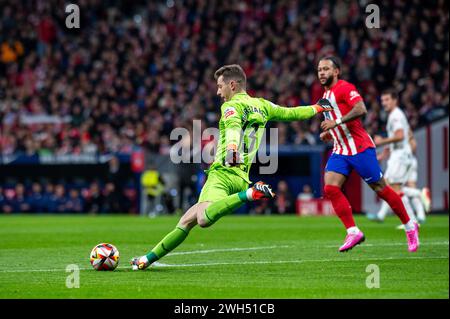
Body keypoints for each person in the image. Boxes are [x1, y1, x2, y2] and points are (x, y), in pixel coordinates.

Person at [131, 64, 332, 270]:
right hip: (241, 177)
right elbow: (291, 113)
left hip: (223, 173)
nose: (218, 92)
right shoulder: (262, 105)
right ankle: (146, 260)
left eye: (220, 86)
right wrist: (317, 107)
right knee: (185, 221)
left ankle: (251, 194)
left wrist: (233, 149)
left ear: (232, 85)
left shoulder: (230, 107)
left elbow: (234, 127)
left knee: (202, 219)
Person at [317, 56, 419, 252]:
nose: (322, 72)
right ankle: (353, 231)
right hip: (340, 149)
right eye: (320, 69)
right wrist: (329, 133)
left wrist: (335, 124)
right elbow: (338, 120)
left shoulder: (345, 88)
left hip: (360, 148)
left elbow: (361, 109)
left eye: (326, 69)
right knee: (330, 188)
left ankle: (409, 225)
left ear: (336, 71)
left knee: (382, 189)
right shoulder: (324, 97)